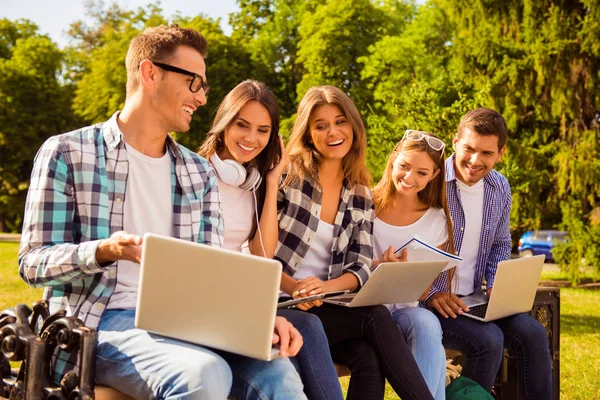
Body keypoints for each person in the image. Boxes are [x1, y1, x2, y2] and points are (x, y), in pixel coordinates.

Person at [18, 25, 305, 400]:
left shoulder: (197, 172)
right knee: (204, 375)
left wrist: (255, 323)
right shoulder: (67, 153)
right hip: (97, 324)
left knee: (278, 373)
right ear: (150, 73)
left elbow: (213, 275)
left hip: (186, 325)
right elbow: (32, 262)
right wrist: (103, 251)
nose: (201, 98)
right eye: (194, 83)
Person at [261, 85, 434, 400]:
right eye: (321, 125)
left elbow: (361, 266)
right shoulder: (288, 178)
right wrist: (294, 287)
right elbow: (258, 249)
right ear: (308, 133)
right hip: (278, 304)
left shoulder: (359, 192)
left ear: (353, 127)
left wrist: (322, 289)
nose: (333, 132)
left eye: (340, 122)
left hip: (327, 306)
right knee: (376, 316)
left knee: (367, 356)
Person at [197, 79, 344, 400]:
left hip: (241, 303)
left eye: (263, 131)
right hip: (206, 303)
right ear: (223, 124)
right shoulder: (195, 176)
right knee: (303, 331)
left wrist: (272, 178)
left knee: (307, 327)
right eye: (242, 125)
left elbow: (264, 253)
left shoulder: (252, 183)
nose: (252, 138)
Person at [425, 107, 552, 398]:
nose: (474, 160)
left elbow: (500, 243)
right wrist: (430, 291)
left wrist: (496, 282)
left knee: (533, 334)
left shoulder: (499, 187)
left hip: (474, 301)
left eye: (486, 153)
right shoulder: (428, 180)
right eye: (468, 148)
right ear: (455, 141)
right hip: (431, 304)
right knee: (489, 340)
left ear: (500, 153)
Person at [371, 130, 453, 400]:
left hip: (404, 313)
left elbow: (420, 293)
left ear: (434, 176)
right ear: (393, 160)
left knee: (426, 322)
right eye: (405, 166)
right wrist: (378, 267)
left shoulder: (437, 219)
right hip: (365, 312)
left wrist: (406, 274)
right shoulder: (365, 203)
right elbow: (342, 263)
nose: (409, 178)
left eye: (421, 172)